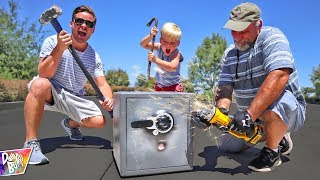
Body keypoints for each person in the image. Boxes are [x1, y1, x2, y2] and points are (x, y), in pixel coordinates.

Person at [215, 2, 306, 172]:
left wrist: (248, 116)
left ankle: (272, 149)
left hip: (285, 110)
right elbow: (225, 86)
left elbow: (280, 74)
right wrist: (220, 114)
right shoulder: (229, 53)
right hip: (252, 117)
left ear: (259, 25)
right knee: (227, 146)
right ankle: (268, 132)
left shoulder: (272, 37)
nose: (237, 36)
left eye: (243, 31)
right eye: (233, 31)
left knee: (279, 103)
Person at [23, 5, 113, 165]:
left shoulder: (94, 56)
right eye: (79, 21)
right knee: (39, 84)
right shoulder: (52, 41)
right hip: (51, 90)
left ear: (93, 30)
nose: (84, 26)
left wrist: (109, 99)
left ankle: (70, 123)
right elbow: (43, 73)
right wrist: (59, 48)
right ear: (72, 23)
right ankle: (31, 143)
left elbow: (102, 83)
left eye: (89, 24)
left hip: (74, 96)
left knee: (100, 121)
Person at [140, 22, 184, 92]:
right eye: (165, 41)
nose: (168, 45)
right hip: (159, 86)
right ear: (160, 40)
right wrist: (151, 35)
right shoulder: (159, 47)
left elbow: (172, 68)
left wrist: (155, 60)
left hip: (174, 87)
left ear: (178, 43)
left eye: (172, 42)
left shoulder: (176, 54)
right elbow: (143, 44)